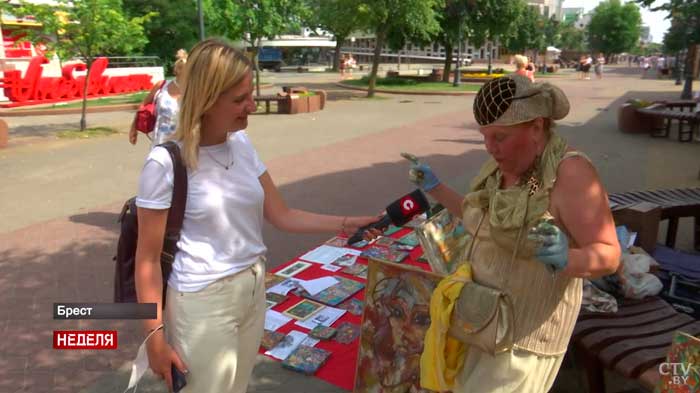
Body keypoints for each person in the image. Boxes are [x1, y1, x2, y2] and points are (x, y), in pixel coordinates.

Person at [135, 38, 381, 393]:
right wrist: (155, 339)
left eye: (251, 93)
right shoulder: (165, 164)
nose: (251, 105)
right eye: (238, 99)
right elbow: (146, 261)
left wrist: (346, 224)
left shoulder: (242, 146)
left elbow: (282, 214)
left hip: (252, 291)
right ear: (206, 99)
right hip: (204, 301)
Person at [406, 74, 621, 392]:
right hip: (479, 320)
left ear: (536, 127)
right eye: (485, 136)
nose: (489, 148)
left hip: (520, 346)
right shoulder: (504, 167)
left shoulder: (571, 172)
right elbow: (476, 218)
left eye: (500, 137)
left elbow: (609, 254)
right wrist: (435, 187)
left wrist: (567, 257)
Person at [130, 50, 188, 146]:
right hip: (160, 142)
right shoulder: (162, 85)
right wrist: (134, 127)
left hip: (184, 144)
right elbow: (143, 105)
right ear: (177, 70)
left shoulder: (193, 90)